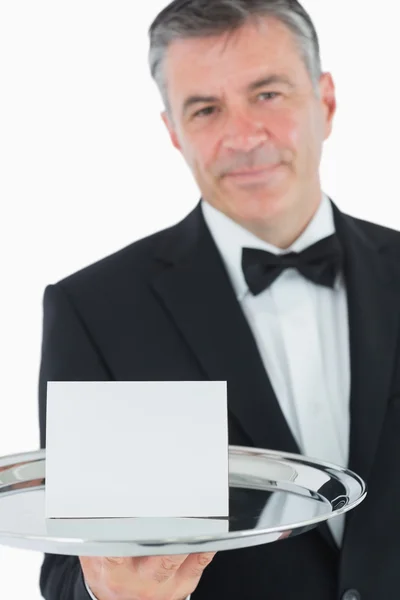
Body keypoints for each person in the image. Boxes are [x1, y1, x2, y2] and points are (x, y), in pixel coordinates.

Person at [38, 0, 400, 599]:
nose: (242, 136)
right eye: (206, 109)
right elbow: (70, 570)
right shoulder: (97, 311)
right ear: (174, 132)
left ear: (326, 101)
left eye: (268, 94)